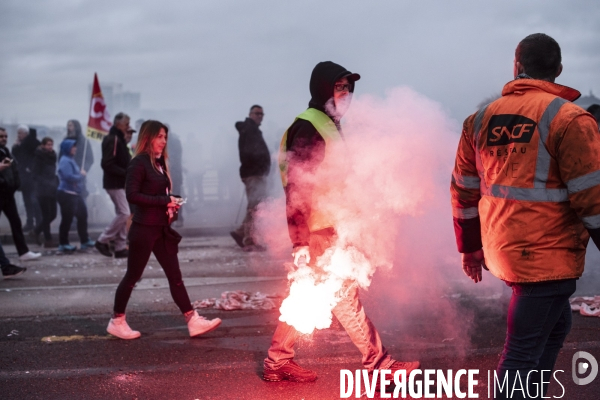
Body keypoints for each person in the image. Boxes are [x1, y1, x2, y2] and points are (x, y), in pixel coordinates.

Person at [451, 33, 600, 399]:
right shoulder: (570, 120)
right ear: (559, 70)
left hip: (504, 250)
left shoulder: (480, 119)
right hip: (547, 256)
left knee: (557, 324)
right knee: (521, 353)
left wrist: (470, 249)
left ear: (517, 67)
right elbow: (593, 201)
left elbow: (463, 190)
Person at [263, 62, 419, 383]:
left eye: (348, 88)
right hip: (319, 229)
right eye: (339, 87)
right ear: (323, 89)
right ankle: (380, 365)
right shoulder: (311, 126)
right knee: (339, 294)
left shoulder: (328, 123)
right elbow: (297, 187)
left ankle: (278, 360)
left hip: (331, 225)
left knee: (319, 294)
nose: (345, 94)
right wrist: (300, 241)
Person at [107, 120, 221, 339]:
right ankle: (117, 320)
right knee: (133, 276)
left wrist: (172, 203)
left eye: (165, 137)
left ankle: (192, 320)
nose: (163, 141)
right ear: (148, 137)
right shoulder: (139, 163)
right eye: (159, 136)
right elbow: (132, 195)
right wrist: (164, 200)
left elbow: (159, 193)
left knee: (175, 276)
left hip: (161, 229)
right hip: (144, 229)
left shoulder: (158, 163)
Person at [230, 105, 271, 250]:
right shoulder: (250, 130)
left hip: (255, 173)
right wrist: (258, 167)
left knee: (255, 206)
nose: (260, 116)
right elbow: (250, 153)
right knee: (255, 207)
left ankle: (240, 233)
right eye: (257, 113)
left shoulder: (252, 130)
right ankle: (249, 240)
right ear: (250, 114)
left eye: (261, 114)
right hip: (254, 174)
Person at [0, 127, 41, 262]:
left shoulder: (6, 150)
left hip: (7, 192)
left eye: (5, 136)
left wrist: (15, 184)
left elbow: (14, 165)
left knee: (16, 222)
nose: (4, 139)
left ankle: (23, 252)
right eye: (1, 137)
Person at [95, 112, 132, 258]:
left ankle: (120, 247)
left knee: (122, 213)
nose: (128, 127)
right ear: (118, 125)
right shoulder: (113, 139)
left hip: (119, 182)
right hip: (114, 182)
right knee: (124, 213)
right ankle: (103, 240)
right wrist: (126, 173)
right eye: (126, 124)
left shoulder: (118, 139)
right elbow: (107, 163)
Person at [56, 140, 95, 253]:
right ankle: (63, 243)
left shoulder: (70, 159)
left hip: (75, 193)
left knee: (82, 216)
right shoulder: (65, 160)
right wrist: (81, 175)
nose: (75, 149)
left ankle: (84, 240)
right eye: (73, 147)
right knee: (67, 219)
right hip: (67, 193)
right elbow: (69, 176)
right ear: (67, 148)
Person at [12, 124, 42, 232]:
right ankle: (30, 222)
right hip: (24, 178)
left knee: (33, 200)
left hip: (32, 178)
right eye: (18, 133)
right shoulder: (21, 144)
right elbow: (15, 158)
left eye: (20, 133)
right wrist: (15, 147)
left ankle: (38, 222)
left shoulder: (33, 143)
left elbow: (37, 158)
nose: (18, 135)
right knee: (27, 201)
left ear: (25, 133)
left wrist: (30, 168)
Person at [32, 137, 59, 247]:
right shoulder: (38, 157)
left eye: (51, 145)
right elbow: (35, 174)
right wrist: (46, 182)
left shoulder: (52, 156)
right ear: (43, 145)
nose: (50, 147)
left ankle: (36, 231)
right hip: (42, 190)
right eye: (48, 145)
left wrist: (55, 182)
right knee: (47, 215)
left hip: (52, 189)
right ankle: (48, 240)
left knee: (53, 214)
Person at [60, 120, 94, 198]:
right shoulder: (65, 140)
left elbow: (90, 158)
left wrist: (85, 169)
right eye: (68, 125)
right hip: (67, 174)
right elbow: (60, 157)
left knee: (80, 198)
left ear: (76, 127)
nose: (69, 127)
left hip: (79, 173)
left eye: (71, 125)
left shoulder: (84, 142)